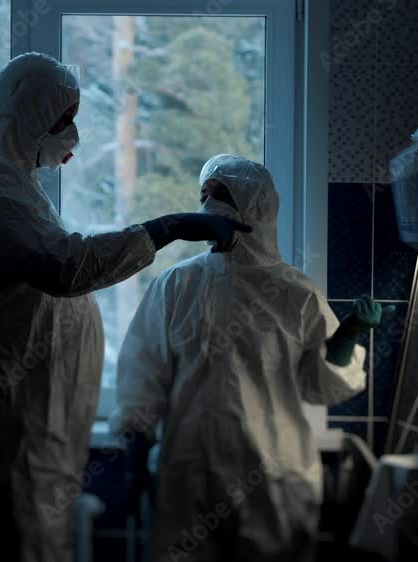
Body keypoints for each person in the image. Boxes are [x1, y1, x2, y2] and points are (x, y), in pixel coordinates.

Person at [0, 53, 250, 562]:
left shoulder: (15, 186)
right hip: (6, 420)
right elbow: (65, 266)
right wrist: (167, 228)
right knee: (19, 547)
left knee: (35, 545)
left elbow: (61, 257)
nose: (72, 136)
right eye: (63, 120)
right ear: (28, 114)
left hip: (34, 421)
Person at [109, 154, 393, 561]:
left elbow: (322, 386)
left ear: (254, 206)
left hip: (272, 478)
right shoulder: (177, 284)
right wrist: (135, 453)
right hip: (190, 477)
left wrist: (347, 337)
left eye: (220, 194)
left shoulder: (296, 293)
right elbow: (143, 375)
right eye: (203, 195)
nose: (207, 205)